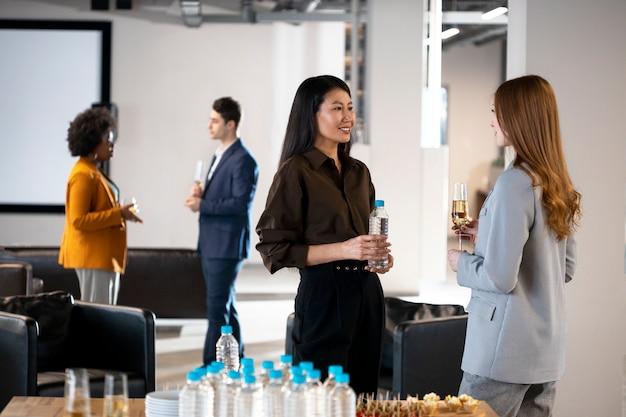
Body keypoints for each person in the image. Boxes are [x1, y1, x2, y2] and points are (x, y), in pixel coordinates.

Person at [447, 75, 581, 417]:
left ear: (519, 119)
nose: (492, 119)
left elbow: (499, 277)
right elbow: (564, 267)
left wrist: (459, 262)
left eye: (497, 111)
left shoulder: (512, 183)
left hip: (501, 355)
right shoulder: (554, 181)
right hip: (545, 355)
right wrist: (487, 232)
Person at [255, 75, 393, 395]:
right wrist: (345, 250)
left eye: (350, 108)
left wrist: (379, 258)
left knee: (364, 395)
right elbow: (274, 248)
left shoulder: (359, 172)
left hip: (368, 295)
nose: (348, 117)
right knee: (322, 395)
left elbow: (366, 235)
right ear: (312, 115)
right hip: (324, 297)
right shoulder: (296, 171)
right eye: (336, 108)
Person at [185, 97, 258, 365]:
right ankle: (235, 359)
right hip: (213, 243)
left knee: (216, 310)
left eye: (215, 120)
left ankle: (211, 367)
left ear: (231, 124)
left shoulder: (243, 160)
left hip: (225, 245)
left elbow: (240, 204)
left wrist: (203, 204)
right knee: (226, 305)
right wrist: (204, 195)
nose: (209, 125)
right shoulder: (220, 154)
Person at [59, 107, 142, 305]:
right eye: (108, 139)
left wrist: (122, 213)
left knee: (105, 316)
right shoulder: (83, 175)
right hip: (93, 256)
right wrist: (118, 214)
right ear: (92, 143)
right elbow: (78, 220)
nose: (112, 144)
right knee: (99, 318)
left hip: (102, 257)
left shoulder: (92, 171)